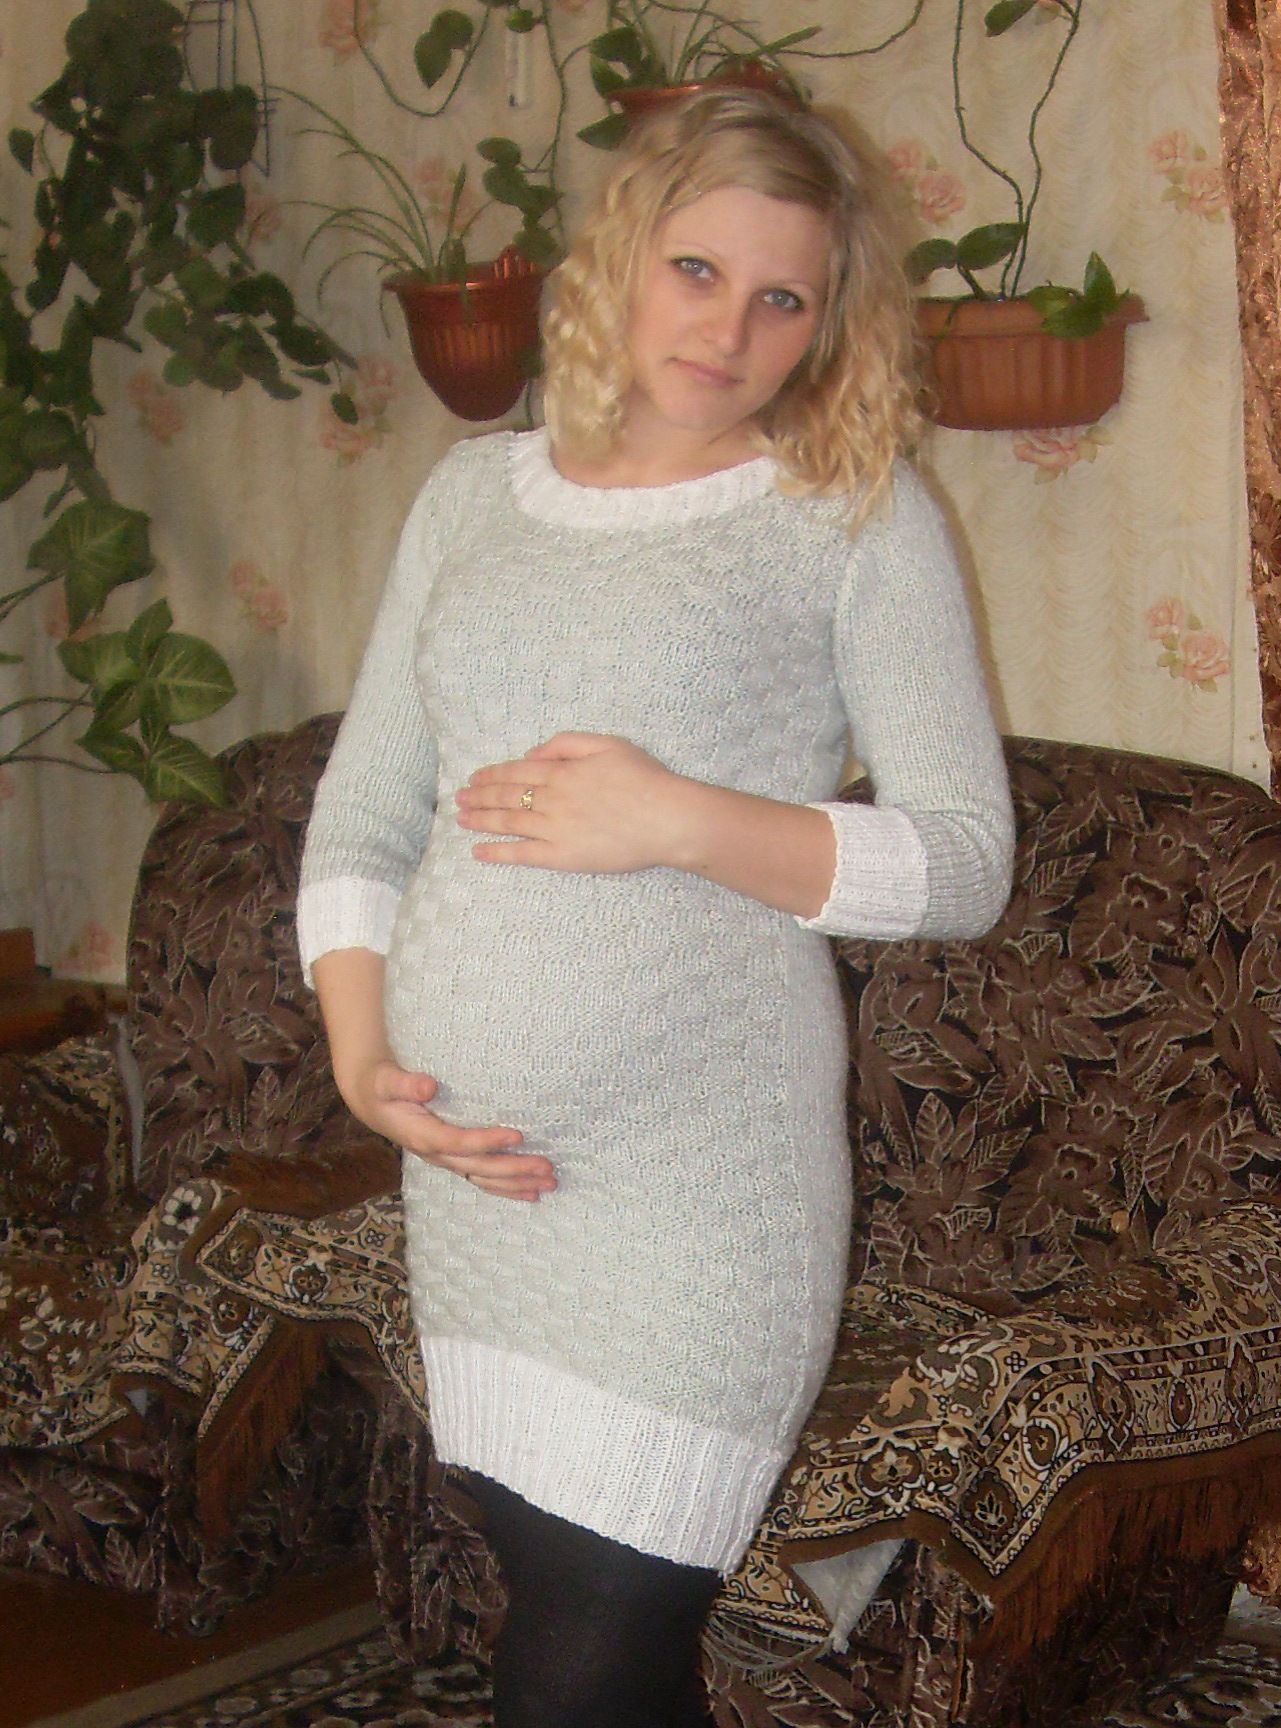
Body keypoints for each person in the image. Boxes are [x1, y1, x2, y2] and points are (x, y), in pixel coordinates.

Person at [297, 87, 1014, 1728]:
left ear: (830, 322)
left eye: (784, 297)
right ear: (621, 256)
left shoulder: (853, 513)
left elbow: (966, 859)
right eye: (698, 270)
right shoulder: (471, 499)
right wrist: (360, 1059)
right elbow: (367, 808)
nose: (732, 329)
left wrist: (679, 818)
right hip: (480, 1190)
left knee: (585, 1655)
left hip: (707, 1188)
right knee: (577, 1628)